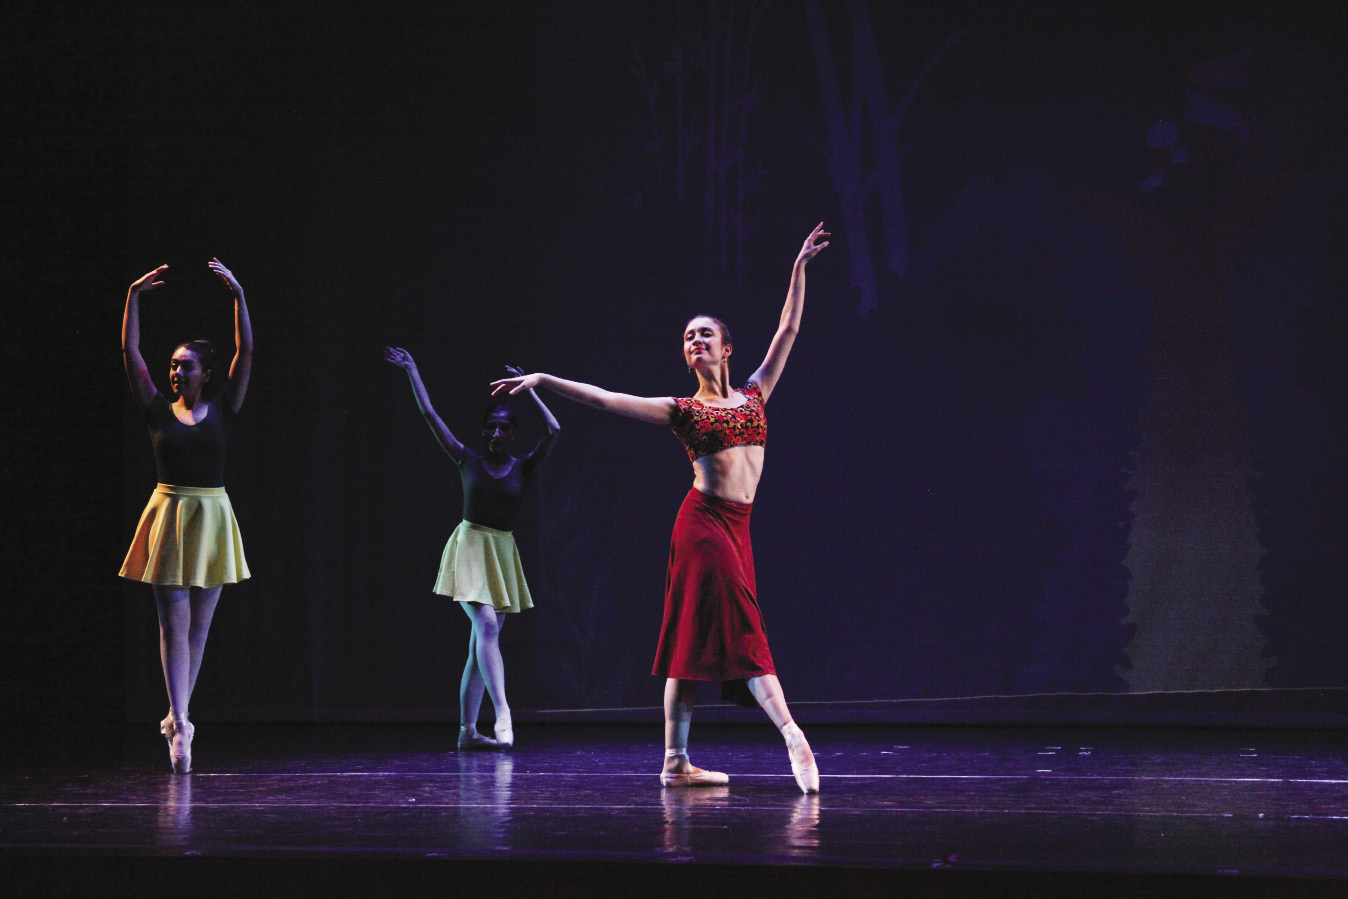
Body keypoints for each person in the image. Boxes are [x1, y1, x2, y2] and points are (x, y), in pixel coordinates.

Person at [491, 223, 829, 793]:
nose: (695, 342)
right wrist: (546, 379)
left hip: (738, 530)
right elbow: (605, 399)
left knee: (689, 641)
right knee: (740, 629)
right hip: (701, 527)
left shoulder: (756, 394)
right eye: (687, 338)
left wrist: (797, 267)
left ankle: (676, 763)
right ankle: (794, 736)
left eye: (705, 335)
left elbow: (789, 326)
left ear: (726, 348)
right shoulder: (680, 410)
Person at [385, 349, 559, 749]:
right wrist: (413, 370)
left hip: (501, 553)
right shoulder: (467, 459)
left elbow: (554, 429)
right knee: (485, 628)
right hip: (469, 545)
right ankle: (503, 713)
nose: (497, 433)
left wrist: (530, 389)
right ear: (485, 432)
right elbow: (431, 416)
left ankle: (467, 733)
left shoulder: (523, 467)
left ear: (512, 433)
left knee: (481, 648)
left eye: (504, 428)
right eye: (492, 428)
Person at [120, 259, 253, 774]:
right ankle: (181, 725)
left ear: (205, 372)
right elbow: (130, 351)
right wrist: (133, 295)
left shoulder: (224, 407)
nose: (176, 371)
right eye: (172, 364)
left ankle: (181, 718)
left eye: (185, 366)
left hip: (213, 514)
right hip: (169, 512)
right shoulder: (156, 408)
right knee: (172, 624)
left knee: (199, 629)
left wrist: (239, 294)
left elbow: (246, 351)